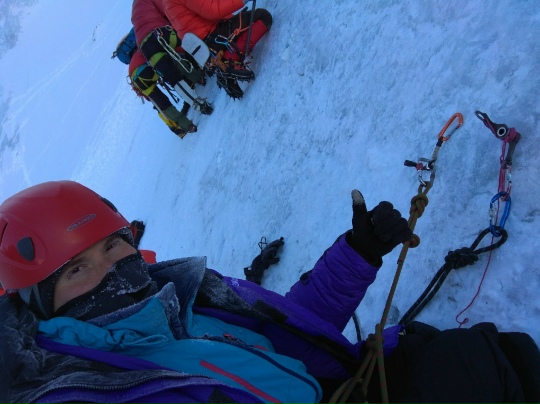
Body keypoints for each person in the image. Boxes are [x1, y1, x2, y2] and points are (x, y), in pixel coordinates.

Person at [0, 181, 538, 403]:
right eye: (76, 269)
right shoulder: (91, 389)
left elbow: (288, 332)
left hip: (339, 384)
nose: (112, 270)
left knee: (490, 355)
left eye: (112, 245)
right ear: (39, 305)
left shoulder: (178, 297)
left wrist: (358, 253)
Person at [164, 0, 273, 99]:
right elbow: (212, 10)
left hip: (206, 47)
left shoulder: (167, 3)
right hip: (216, 38)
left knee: (242, 22)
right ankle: (230, 59)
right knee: (263, 17)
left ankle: (224, 64)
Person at [132, 0, 211, 114]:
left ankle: (199, 104)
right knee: (186, 39)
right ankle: (207, 66)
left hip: (146, 48)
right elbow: (166, 9)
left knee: (173, 77)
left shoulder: (135, 10)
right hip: (159, 33)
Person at [129, 48, 197, 138]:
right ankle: (188, 126)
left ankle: (183, 128)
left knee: (163, 106)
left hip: (140, 83)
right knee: (167, 101)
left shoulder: (131, 66)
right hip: (146, 73)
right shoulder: (141, 50)